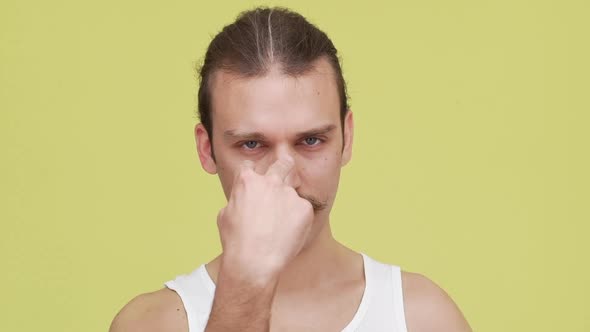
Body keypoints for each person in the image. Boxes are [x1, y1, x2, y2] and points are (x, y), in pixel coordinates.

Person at [109, 6, 471, 332]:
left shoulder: (424, 318)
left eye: (311, 141)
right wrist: (246, 282)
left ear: (347, 136)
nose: (285, 177)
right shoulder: (152, 324)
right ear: (207, 150)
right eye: (252, 144)